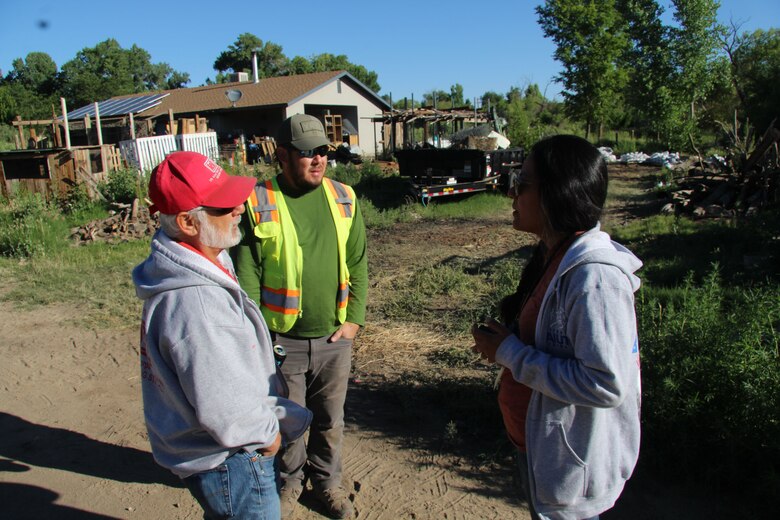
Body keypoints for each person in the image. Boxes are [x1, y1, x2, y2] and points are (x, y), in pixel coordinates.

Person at [133, 151, 312, 519]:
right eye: (224, 205)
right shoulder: (197, 303)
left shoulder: (203, 258)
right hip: (233, 459)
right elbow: (225, 405)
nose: (239, 209)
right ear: (187, 221)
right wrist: (268, 436)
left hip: (221, 453)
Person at [471, 135, 642, 520]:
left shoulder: (595, 278)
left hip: (572, 467)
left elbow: (606, 382)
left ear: (557, 193)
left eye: (522, 182)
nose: (511, 192)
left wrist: (510, 353)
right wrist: (506, 344)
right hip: (541, 449)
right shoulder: (554, 255)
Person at [232, 114, 368, 519]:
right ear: (283, 155)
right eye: (307, 153)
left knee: (330, 420)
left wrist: (354, 320)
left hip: (333, 339)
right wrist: (259, 337)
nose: (317, 160)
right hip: (281, 340)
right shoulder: (258, 200)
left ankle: (327, 482)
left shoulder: (345, 197)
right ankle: (289, 482)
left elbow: (359, 263)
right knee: (287, 422)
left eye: (323, 151)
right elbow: (247, 275)